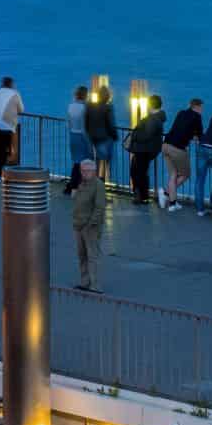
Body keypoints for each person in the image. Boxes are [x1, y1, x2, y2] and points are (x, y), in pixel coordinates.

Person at [72, 157, 107, 291]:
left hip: (90, 227)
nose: (84, 173)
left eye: (87, 171)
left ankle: (95, 284)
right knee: (82, 255)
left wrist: (91, 224)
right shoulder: (83, 183)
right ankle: (85, 281)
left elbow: (100, 207)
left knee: (92, 255)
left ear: (94, 171)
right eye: (82, 170)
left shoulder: (98, 185)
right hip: (79, 225)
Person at [163, 98, 204, 211]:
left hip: (166, 145)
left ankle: (172, 203)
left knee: (173, 175)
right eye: (202, 107)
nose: (202, 110)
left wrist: (191, 134)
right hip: (177, 148)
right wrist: (196, 137)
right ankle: (167, 193)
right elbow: (200, 135)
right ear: (197, 107)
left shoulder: (181, 113)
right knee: (185, 175)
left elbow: (181, 128)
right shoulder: (197, 117)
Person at [126, 95, 166, 205]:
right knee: (140, 172)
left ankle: (140, 196)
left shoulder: (153, 119)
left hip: (144, 150)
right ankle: (143, 196)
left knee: (138, 172)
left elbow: (146, 135)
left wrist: (134, 134)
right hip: (147, 149)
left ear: (150, 105)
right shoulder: (156, 118)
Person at [83, 83, 120, 186]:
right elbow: (110, 124)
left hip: (92, 138)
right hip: (104, 139)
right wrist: (115, 136)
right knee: (104, 162)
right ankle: (101, 183)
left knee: (95, 161)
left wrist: (89, 134)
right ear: (108, 96)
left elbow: (86, 122)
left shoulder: (90, 106)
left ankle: (92, 182)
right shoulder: (108, 108)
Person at [65, 85, 92, 192]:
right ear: (85, 95)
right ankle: (75, 186)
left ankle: (72, 185)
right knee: (83, 163)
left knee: (76, 162)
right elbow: (84, 127)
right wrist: (88, 143)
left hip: (72, 135)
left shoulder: (71, 106)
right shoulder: (84, 108)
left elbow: (69, 123)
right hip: (81, 136)